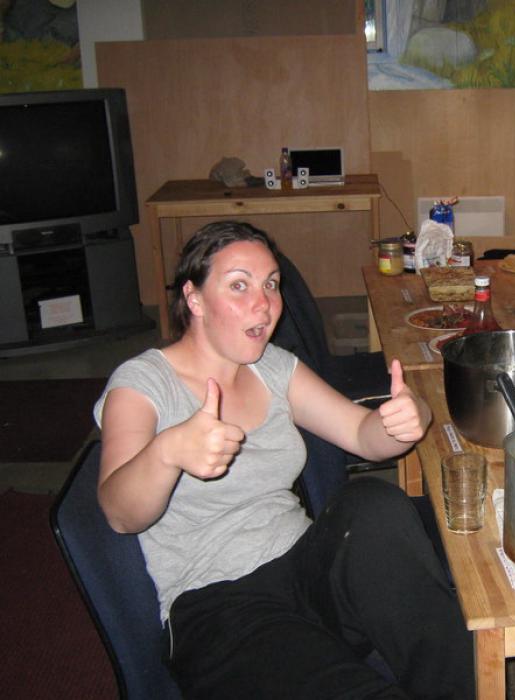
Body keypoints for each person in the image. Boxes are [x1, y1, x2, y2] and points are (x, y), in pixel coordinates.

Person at [94, 220, 473, 699]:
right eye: (239, 285)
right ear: (194, 298)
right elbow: (120, 514)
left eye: (271, 284)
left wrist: (404, 419)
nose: (264, 303)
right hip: (221, 608)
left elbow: (361, 434)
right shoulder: (143, 382)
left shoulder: (272, 366)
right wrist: (167, 451)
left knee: (374, 504)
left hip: (305, 569)